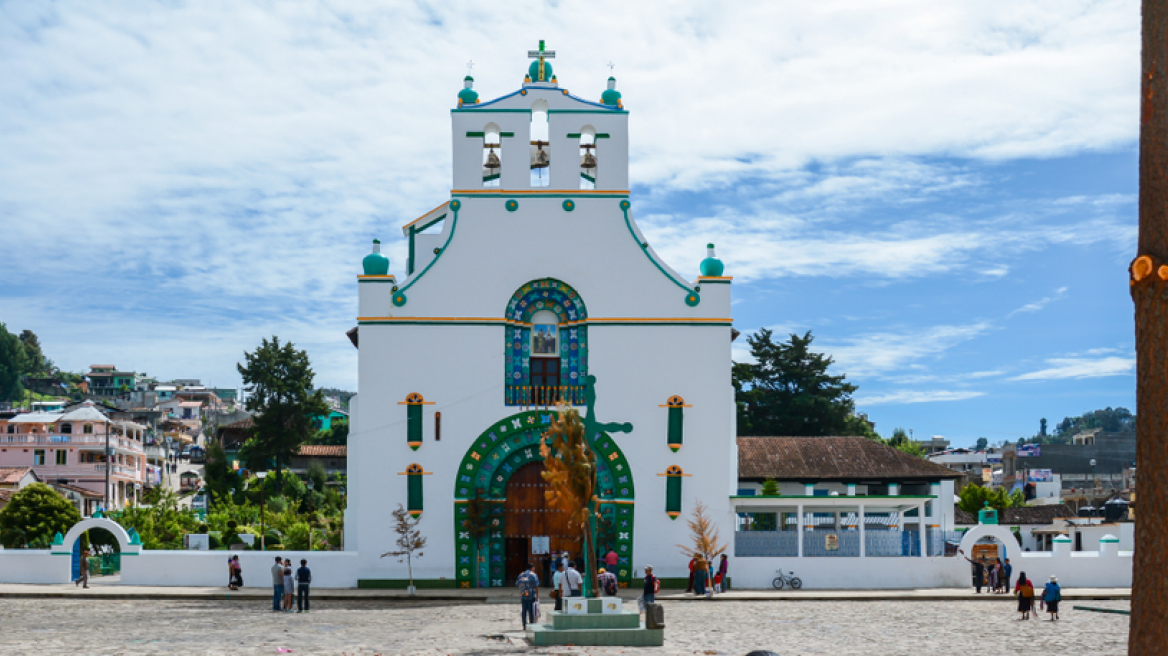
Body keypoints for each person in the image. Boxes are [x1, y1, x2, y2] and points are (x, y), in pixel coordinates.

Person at [516, 562, 540, 629]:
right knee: (531, 611)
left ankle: (524, 625)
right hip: (531, 595)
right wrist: (537, 596)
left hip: (523, 595)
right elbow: (536, 587)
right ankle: (531, 625)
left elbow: (518, 584)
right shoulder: (533, 575)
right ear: (532, 568)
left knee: (524, 611)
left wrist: (522, 592)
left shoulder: (521, 575)